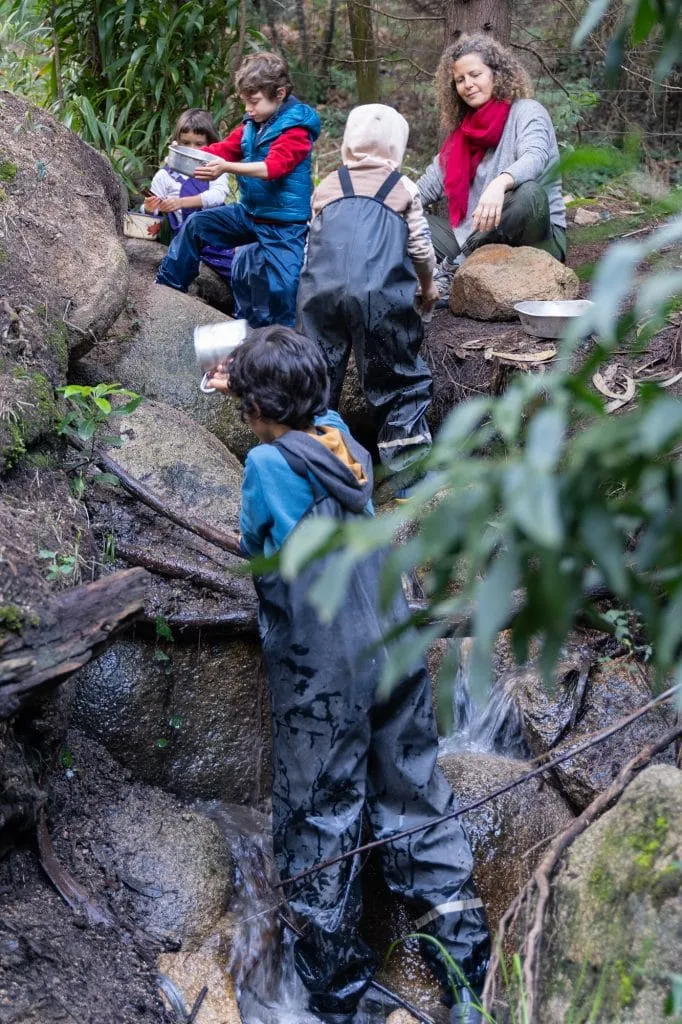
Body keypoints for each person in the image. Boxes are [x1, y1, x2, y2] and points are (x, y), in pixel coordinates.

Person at [207, 326, 490, 1024]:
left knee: (320, 820)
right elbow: (307, 417)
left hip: (324, 672)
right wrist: (248, 378)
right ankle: (468, 973)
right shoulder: (345, 441)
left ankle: (339, 997)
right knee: (416, 794)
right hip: (392, 648)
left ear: (256, 409)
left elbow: (257, 544)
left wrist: (247, 406)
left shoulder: (267, 466)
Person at [297, 104, 439, 500]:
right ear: (397, 150)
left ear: (346, 146)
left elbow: (312, 246)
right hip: (379, 297)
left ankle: (307, 464)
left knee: (315, 377)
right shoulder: (403, 188)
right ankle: (409, 475)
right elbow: (420, 248)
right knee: (397, 378)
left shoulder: (325, 185)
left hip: (318, 295)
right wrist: (428, 286)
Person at [156, 52, 320, 328]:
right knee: (197, 226)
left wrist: (227, 168)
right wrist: (182, 156)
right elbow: (225, 149)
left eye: (253, 101)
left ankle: (281, 349)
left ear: (279, 94)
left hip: (284, 225)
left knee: (284, 288)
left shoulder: (297, 129)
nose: (248, 108)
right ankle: (167, 288)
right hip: (249, 214)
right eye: (245, 101)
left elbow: (273, 168)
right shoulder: (252, 123)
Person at [417, 34, 567, 300]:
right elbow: (425, 188)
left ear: (497, 74)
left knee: (529, 194)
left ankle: (453, 269)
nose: (468, 85)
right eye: (460, 80)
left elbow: (535, 156)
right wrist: (382, 203)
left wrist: (501, 183)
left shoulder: (528, 111)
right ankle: (452, 268)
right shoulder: (462, 133)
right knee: (404, 219)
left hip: (535, 235)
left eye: (475, 74)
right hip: (472, 238)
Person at [144, 108, 234, 284]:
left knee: (240, 273)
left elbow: (218, 195)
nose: (193, 150)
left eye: (199, 144)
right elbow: (151, 215)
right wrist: (150, 208)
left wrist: (181, 202)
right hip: (186, 241)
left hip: (219, 239)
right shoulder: (164, 176)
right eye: (186, 143)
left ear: (211, 143)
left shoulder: (215, 168)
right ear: (177, 143)